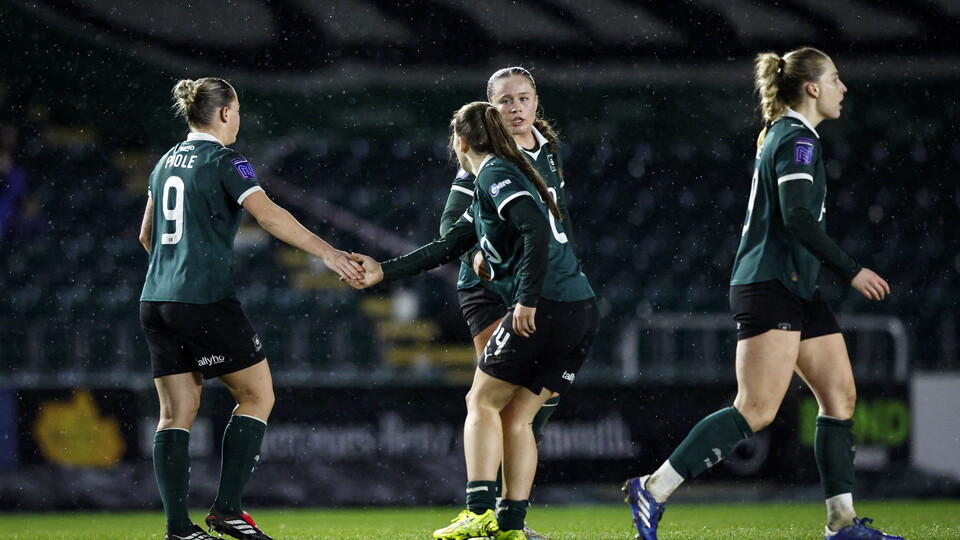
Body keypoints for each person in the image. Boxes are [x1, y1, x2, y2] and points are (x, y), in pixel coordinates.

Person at [622, 48, 902, 540]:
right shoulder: (798, 141)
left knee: (840, 397)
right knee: (755, 409)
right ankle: (653, 487)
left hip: (797, 284)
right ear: (812, 88)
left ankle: (842, 523)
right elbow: (796, 218)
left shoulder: (786, 135)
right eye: (836, 79)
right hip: (772, 285)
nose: (844, 88)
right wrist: (852, 270)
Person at [348, 101, 597, 540]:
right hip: (579, 309)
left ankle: (478, 509)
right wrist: (383, 271)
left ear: (459, 142)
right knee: (517, 417)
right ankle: (510, 526)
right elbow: (448, 245)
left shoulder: (495, 174)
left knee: (481, 402)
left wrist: (526, 299)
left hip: (546, 306)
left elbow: (535, 229)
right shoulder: (505, 175)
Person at [138, 77, 364, 540]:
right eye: (237, 109)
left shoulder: (163, 163)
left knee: (175, 413)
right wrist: (328, 253)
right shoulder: (226, 159)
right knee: (258, 395)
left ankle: (179, 529)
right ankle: (227, 510)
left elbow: (146, 235)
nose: (237, 118)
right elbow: (268, 214)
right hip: (203, 298)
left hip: (155, 299)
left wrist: (177, 271)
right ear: (224, 114)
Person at [439, 67, 572, 540]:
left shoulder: (547, 150)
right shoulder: (482, 158)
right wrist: (479, 253)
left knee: (532, 404)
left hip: (532, 289)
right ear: (490, 109)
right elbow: (451, 222)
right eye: (504, 102)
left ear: (537, 102)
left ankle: (507, 514)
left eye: (524, 98)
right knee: (502, 399)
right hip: (488, 290)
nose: (516, 109)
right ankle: (487, 511)